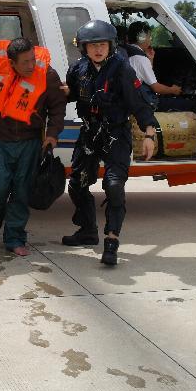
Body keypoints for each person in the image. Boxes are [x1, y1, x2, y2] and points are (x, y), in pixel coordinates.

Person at [63, 20, 160, 266]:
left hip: (116, 134)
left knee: (114, 185)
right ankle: (87, 231)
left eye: (103, 45)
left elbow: (139, 104)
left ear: (110, 46)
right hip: (89, 134)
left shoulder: (123, 70)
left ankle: (111, 240)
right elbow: (70, 94)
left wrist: (149, 134)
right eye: (93, 45)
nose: (98, 50)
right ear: (84, 47)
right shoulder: (78, 70)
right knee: (76, 184)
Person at [0, 37, 66, 256]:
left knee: (22, 192)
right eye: (25, 62)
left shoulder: (48, 75)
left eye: (33, 59)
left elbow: (58, 108)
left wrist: (52, 135)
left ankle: (14, 238)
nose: (31, 66)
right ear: (12, 63)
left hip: (29, 143)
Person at [121, 21, 182, 105]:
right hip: (137, 102)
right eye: (149, 36)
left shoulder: (125, 51)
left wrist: (150, 59)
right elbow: (156, 88)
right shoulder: (140, 58)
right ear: (141, 38)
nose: (151, 39)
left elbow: (145, 75)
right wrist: (173, 90)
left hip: (128, 97)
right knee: (187, 104)